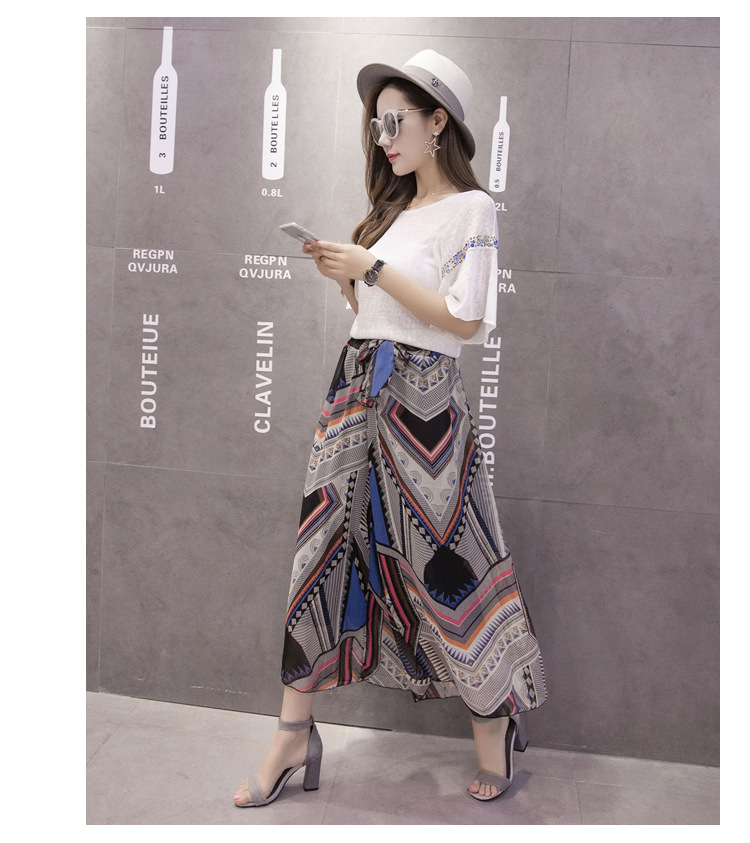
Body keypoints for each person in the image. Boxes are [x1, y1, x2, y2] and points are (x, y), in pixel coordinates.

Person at [234, 49, 547, 808]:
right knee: (322, 550)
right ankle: (292, 732)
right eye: (376, 125)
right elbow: (379, 313)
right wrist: (349, 279)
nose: (383, 138)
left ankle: (494, 718)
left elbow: (463, 321)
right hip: (355, 387)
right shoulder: (392, 213)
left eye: (395, 122)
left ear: (438, 123)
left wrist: (370, 268)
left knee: (448, 559)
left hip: (424, 401)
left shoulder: (473, 210)